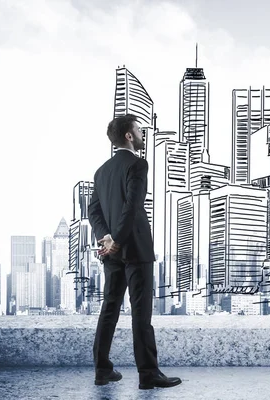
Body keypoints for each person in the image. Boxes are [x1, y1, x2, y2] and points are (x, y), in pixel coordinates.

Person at [88, 114, 182, 390]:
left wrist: (105, 238)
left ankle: (102, 370)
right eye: (139, 130)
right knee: (141, 313)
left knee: (109, 309)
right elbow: (133, 205)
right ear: (129, 135)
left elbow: (93, 210)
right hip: (136, 247)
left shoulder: (101, 171)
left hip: (112, 251)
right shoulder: (139, 164)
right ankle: (148, 374)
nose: (142, 134)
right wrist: (116, 238)